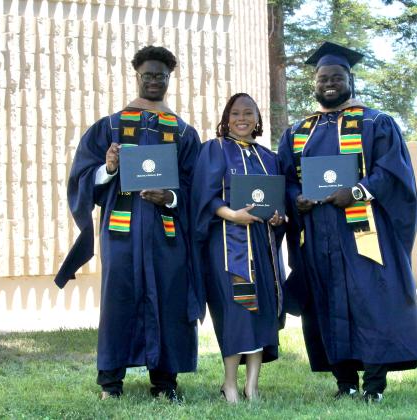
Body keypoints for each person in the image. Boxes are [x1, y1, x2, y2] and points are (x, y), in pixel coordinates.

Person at [277, 42, 417, 403]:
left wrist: (358, 192)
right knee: (325, 302)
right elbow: (285, 177)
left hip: (364, 231)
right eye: (322, 78)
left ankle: (374, 385)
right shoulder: (299, 131)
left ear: (350, 79)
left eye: (336, 76)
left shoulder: (376, 122)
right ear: (314, 84)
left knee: (371, 300)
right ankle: (344, 380)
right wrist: (296, 197)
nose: (329, 83)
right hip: (316, 233)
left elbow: (392, 172)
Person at [54, 46, 203, 402]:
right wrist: (107, 168)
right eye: (148, 74)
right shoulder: (110, 126)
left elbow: (195, 185)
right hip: (121, 232)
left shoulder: (182, 132)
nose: (154, 80)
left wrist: (170, 198)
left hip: (166, 234)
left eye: (161, 75)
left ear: (170, 79)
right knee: (119, 301)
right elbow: (81, 176)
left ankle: (165, 383)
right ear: (136, 76)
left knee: (168, 300)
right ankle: (110, 383)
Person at [191, 93, 285, 403]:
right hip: (227, 241)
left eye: (248, 113)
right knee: (236, 310)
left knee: (261, 311)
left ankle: (252, 386)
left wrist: (276, 216)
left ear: (258, 119)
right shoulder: (214, 150)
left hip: (262, 243)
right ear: (226, 117)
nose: (241, 118)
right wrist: (232, 214)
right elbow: (203, 197)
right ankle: (230, 383)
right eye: (235, 113)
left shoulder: (268, 157)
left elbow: (278, 206)